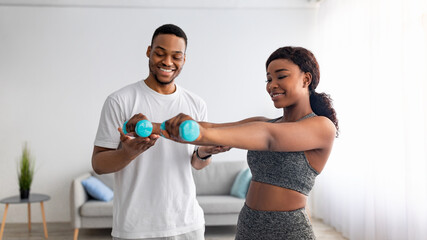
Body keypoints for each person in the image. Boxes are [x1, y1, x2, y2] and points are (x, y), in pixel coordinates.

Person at [161, 46, 339, 239]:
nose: (272, 85)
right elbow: (214, 126)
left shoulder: (322, 126)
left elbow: (270, 138)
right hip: (248, 224)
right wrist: (152, 127)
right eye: (269, 79)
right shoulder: (264, 122)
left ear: (306, 79)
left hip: (288, 230)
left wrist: (200, 132)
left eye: (281, 76)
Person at [92, 24, 230, 240]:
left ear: (184, 59)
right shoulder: (120, 101)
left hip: (187, 225)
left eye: (176, 56)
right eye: (160, 53)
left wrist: (205, 152)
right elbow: (98, 165)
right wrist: (127, 153)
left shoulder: (196, 104)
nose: (167, 62)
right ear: (149, 51)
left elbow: (197, 163)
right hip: (135, 228)